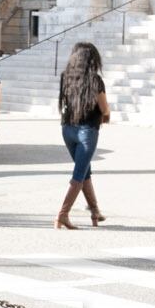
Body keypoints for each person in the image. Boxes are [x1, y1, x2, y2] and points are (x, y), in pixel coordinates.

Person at [57, 42, 109, 227]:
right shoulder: (95, 81)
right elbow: (104, 108)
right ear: (93, 60)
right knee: (79, 173)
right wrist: (107, 116)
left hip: (68, 129)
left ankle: (95, 212)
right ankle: (63, 214)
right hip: (87, 131)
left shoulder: (66, 77)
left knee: (85, 170)